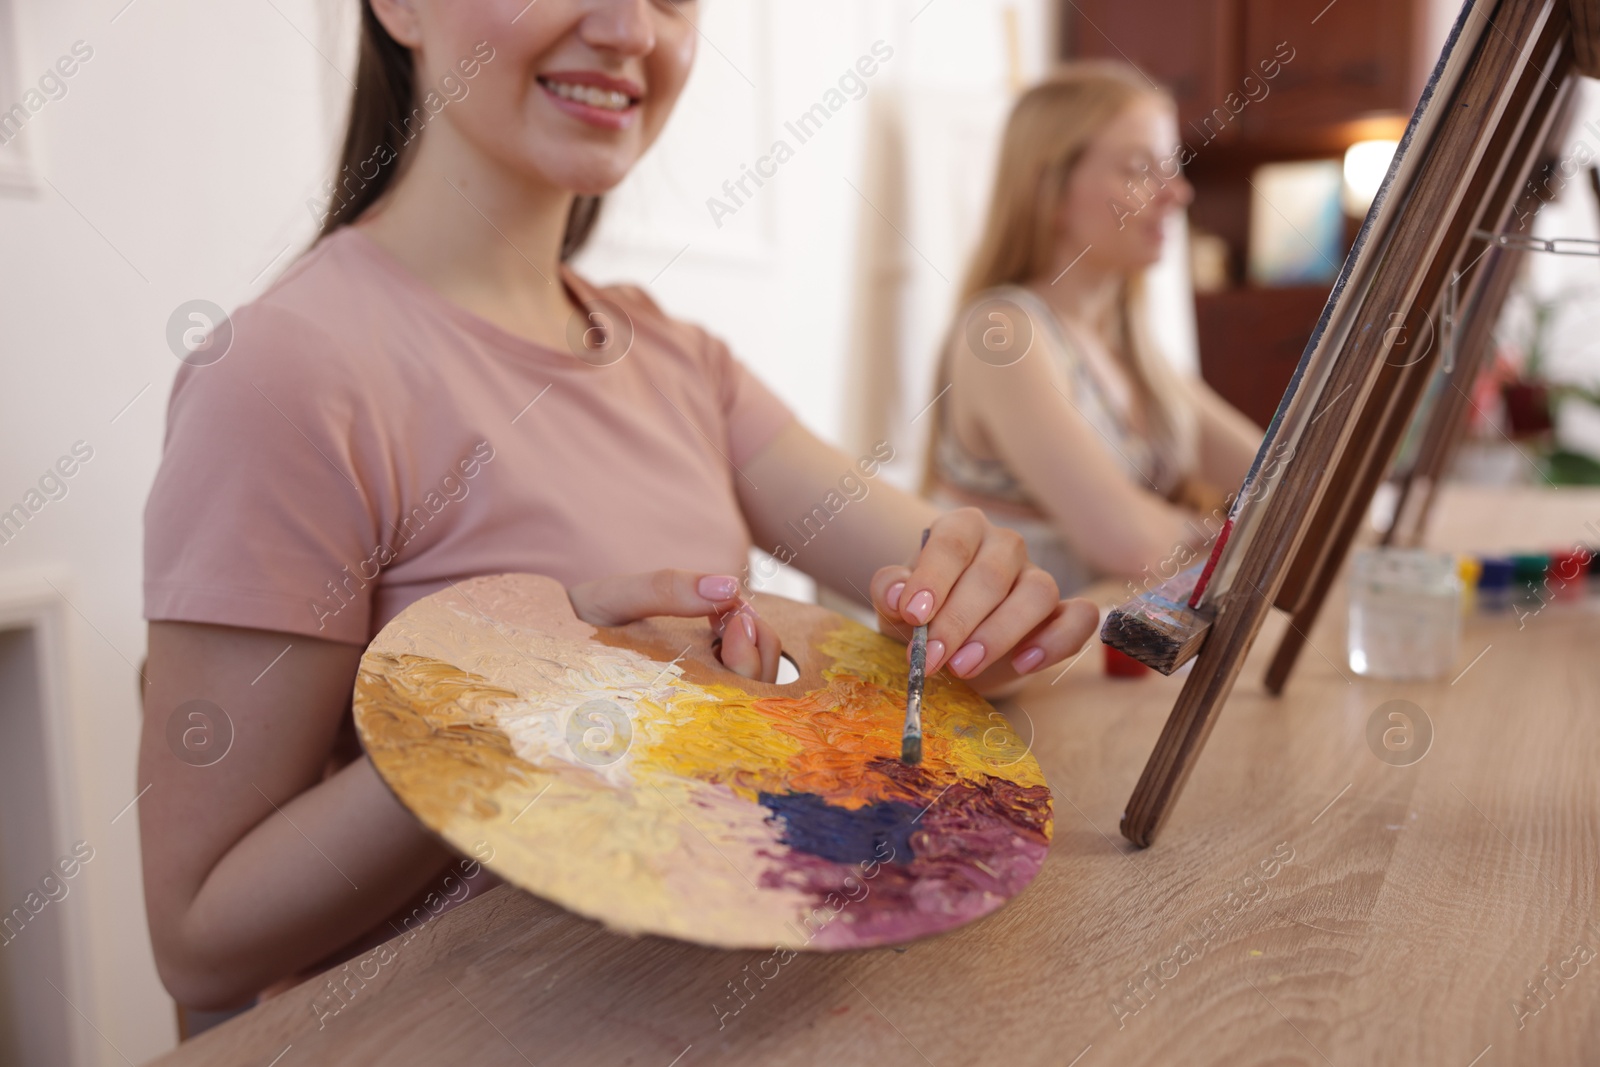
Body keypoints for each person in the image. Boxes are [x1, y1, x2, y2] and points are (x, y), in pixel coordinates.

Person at [138, 0, 1099, 1011]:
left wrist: (980, 598)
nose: (631, 29)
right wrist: (506, 704)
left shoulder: (680, 360)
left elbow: (928, 569)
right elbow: (200, 943)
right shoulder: (285, 373)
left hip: (705, 1000)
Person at [923, 62, 1263, 596]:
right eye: (1137, 168)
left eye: (1171, 168)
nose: (1177, 195)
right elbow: (1132, 543)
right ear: (1050, 192)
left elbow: (1278, 476)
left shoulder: (1130, 349)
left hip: (1084, 664)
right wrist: (1226, 532)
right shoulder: (1002, 334)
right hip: (1000, 674)